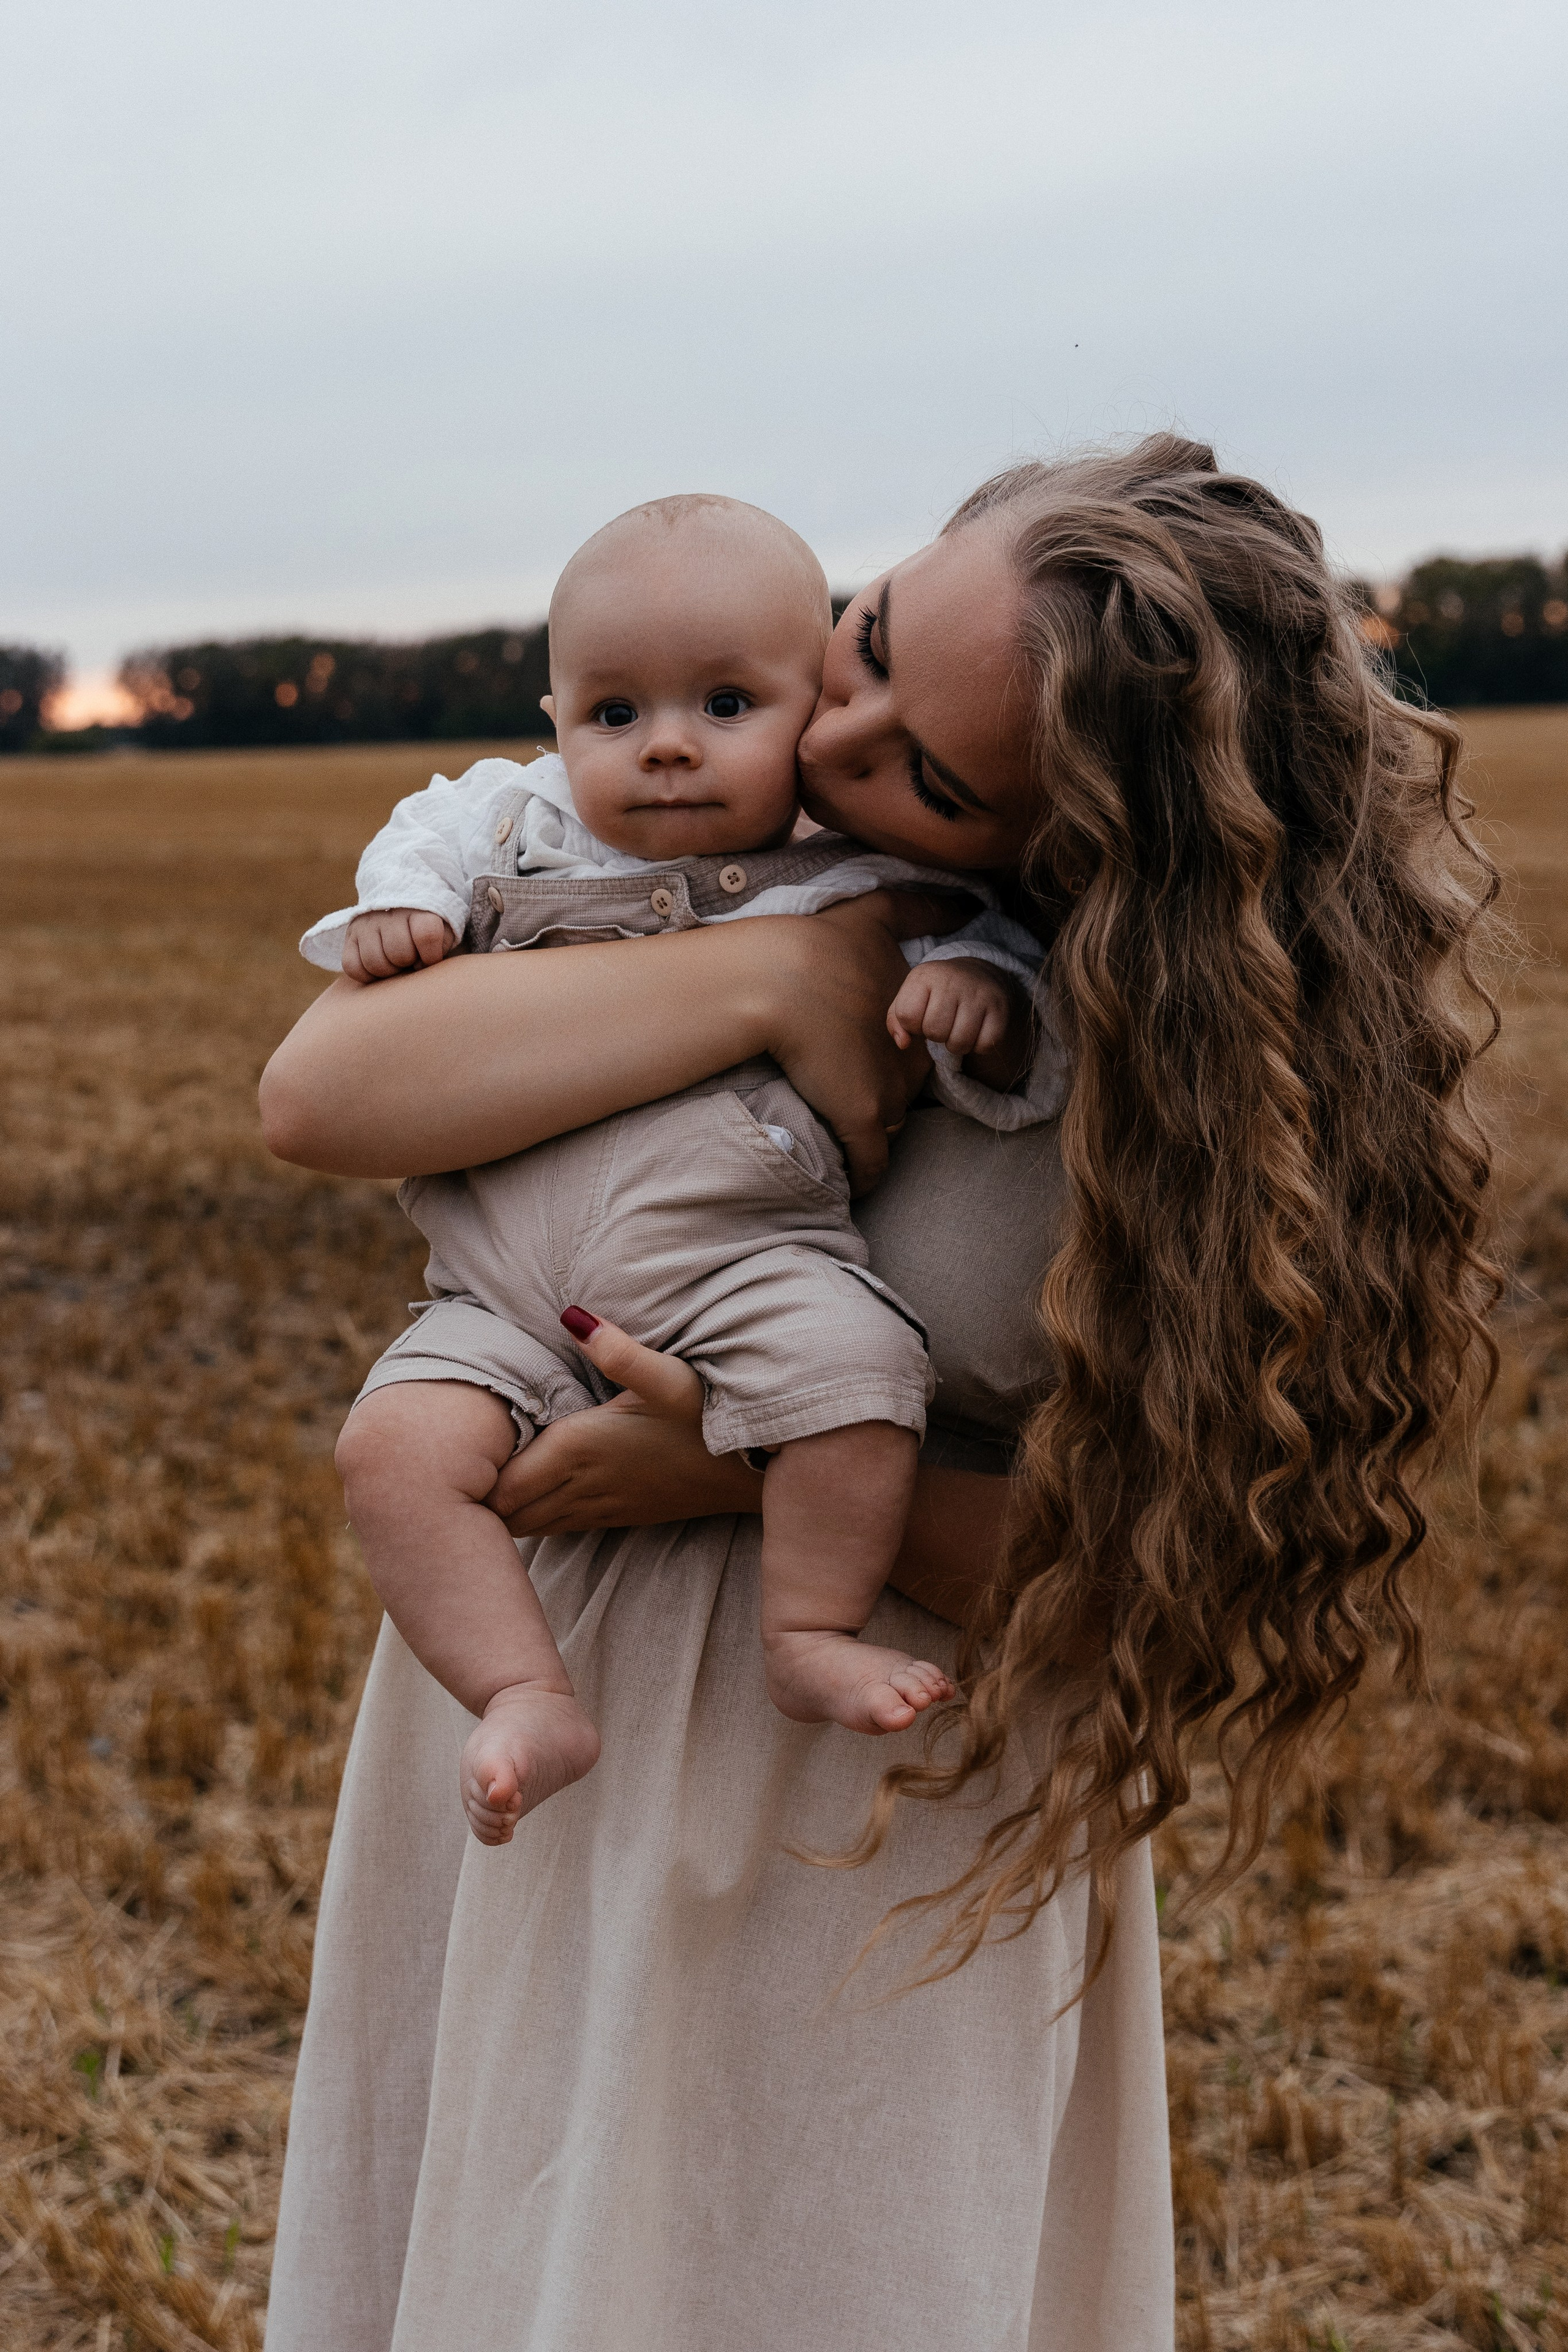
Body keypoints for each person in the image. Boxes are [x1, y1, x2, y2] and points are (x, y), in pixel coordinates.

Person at [258, 437, 1498, 2352]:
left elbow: (1150, 1596)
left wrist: (736, 1466)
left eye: (930, 771)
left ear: (1085, 833)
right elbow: (321, 1100)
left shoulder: (1160, 1089)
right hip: (534, 1769)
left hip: (855, 1825)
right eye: (866, 642)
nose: (833, 745)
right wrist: (770, 981)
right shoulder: (684, 900)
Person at [310, 494, 1054, 1844]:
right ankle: (523, 1688)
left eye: (725, 704)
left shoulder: (850, 870)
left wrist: (972, 983)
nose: (663, 748)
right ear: (552, 720)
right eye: (613, 716)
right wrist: (399, 908)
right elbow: (315, 1080)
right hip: (499, 1297)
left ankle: (807, 1628)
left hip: (742, 1261)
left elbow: (977, 936)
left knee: (855, 1373)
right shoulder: (518, 825)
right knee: (389, 1449)